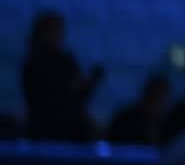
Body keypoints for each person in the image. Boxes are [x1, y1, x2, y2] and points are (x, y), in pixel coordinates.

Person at [21, 11, 102, 142]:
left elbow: (78, 94)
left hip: (62, 131)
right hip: (49, 130)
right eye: (53, 29)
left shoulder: (60, 60)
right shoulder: (40, 63)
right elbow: (69, 94)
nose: (57, 34)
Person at [108, 71, 172, 146]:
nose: (156, 102)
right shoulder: (125, 120)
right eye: (154, 96)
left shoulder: (166, 126)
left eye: (161, 98)